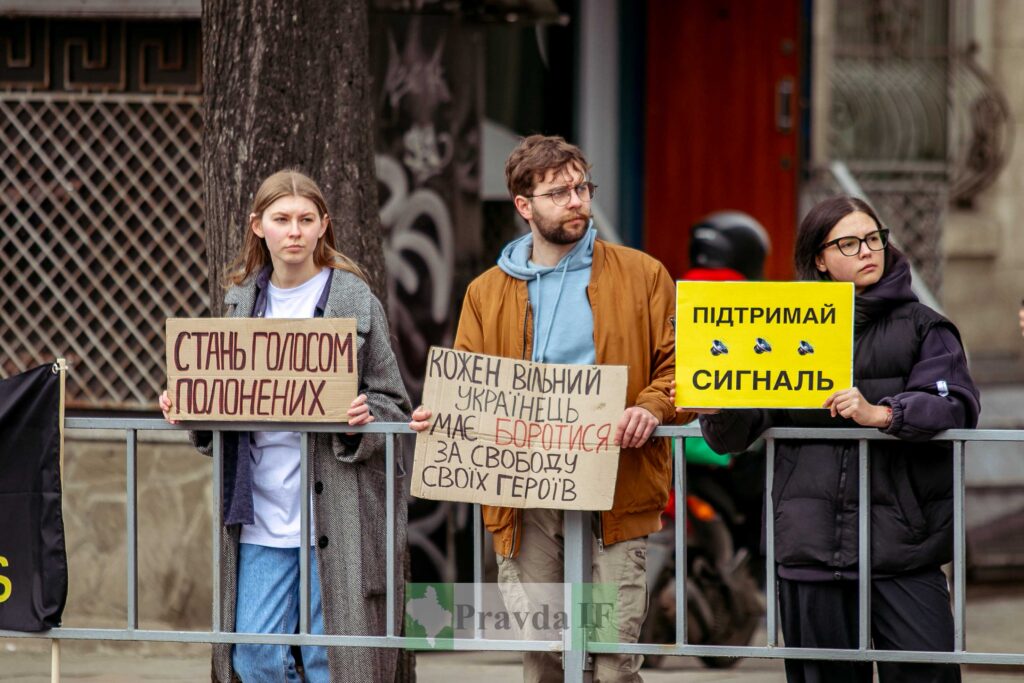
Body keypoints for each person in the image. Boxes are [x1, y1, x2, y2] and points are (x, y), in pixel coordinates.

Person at [410, 134, 693, 682]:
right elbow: (468, 381)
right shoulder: (485, 292)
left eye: (583, 187)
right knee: (544, 656)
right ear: (524, 206)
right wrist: (439, 416)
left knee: (612, 661)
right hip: (523, 493)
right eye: (560, 191)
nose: (578, 201)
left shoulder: (644, 275)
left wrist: (652, 408)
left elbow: (682, 369)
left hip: (618, 484)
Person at [699, 196, 980, 683]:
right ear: (819, 259)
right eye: (848, 243)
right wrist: (717, 407)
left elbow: (957, 402)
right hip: (810, 547)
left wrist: (884, 413)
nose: (868, 251)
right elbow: (739, 429)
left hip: (903, 549)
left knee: (927, 674)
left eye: (874, 239)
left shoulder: (924, 326)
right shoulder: (780, 327)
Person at [160, 169, 411, 683]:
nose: (293, 231)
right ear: (258, 227)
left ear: (324, 226)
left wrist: (361, 424)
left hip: (334, 515)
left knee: (330, 660)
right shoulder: (238, 307)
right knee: (252, 654)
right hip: (260, 517)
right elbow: (223, 407)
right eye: (281, 219)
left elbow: (394, 405)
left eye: (305, 219)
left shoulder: (355, 301)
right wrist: (191, 411)